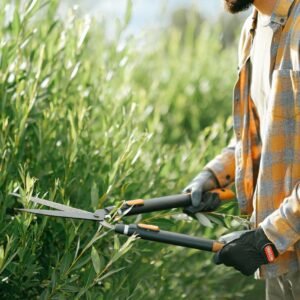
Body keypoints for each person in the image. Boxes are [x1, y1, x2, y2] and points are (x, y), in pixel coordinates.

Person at [183, 0, 300, 299]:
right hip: (285, 261)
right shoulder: (252, 31)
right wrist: (214, 176)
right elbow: (261, 133)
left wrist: (269, 238)